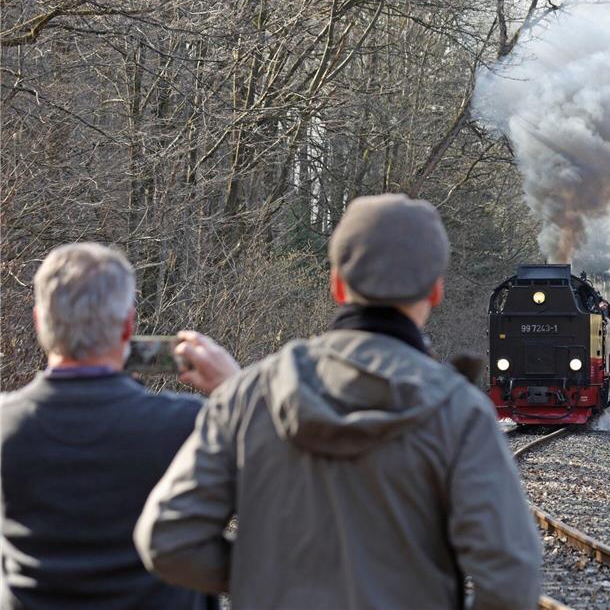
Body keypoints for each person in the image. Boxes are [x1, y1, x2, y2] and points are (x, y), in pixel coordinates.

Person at [135, 194, 543, 610]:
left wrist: (267, 575)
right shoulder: (459, 411)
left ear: (336, 283)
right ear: (435, 291)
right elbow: (512, 579)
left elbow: (167, 539)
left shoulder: (249, 394)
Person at [1, 243, 240, 610]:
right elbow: (285, 489)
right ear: (128, 325)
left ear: (39, 321)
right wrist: (237, 391)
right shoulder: (191, 425)